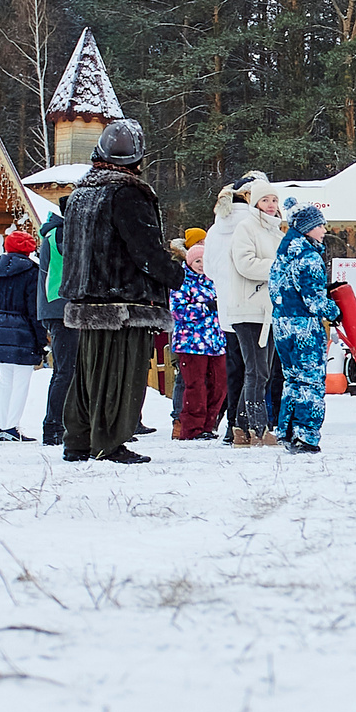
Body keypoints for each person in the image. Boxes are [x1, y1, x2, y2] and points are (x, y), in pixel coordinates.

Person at [60, 121, 181, 465]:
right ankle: (109, 441)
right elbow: (144, 249)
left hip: (87, 298)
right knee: (121, 374)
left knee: (87, 375)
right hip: (125, 300)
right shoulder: (127, 193)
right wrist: (173, 272)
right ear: (137, 158)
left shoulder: (81, 194)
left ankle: (79, 440)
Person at [268, 201, 341, 454]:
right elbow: (314, 300)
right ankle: (306, 435)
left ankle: (287, 431)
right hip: (304, 328)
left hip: (281, 324)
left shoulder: (283, 254)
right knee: (310, 381)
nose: (324, 229)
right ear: (308, 228)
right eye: (320, 225)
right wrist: (335, 310)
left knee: (292, 380)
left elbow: (277, 291)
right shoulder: (309, 257)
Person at [214, 172, 280, 447]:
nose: (271, 204)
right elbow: (245, 263)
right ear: (254, 202)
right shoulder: (246, 227)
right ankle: (258, 427)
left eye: (274, 199)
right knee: (256, 371)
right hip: (247, 308)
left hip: (268, 310)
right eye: (265, 199)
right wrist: (277, 268)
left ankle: (240, 427)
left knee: (261, 370)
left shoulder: (274, 230)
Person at [0, 225, 46, 442]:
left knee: (5, 381)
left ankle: (4, 426)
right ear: (29, 251)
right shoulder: (32, 273)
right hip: (22, 330)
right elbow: (34, 310)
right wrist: (40, 340)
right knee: (21, 382)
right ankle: (12, 427)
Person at [169, 241, 228, 440]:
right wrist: (205, 307)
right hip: (191, 343)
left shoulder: (215, 280)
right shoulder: (181, 281)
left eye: (205, 260)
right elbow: (178, 311)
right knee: (195, 386)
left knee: (219, 384)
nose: (202, 264)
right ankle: (192, 428)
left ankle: (208, 425)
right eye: (197, 261)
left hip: (215, 342)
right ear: (189, 262)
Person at [33, 200, 75, 448]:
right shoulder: (61, 233)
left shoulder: (54, 232)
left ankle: (58, 425)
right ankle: (53, 427)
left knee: (65, 370)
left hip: (57, 305)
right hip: (62, 305)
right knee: (66, 371)